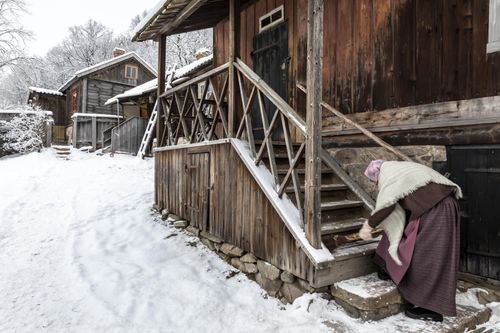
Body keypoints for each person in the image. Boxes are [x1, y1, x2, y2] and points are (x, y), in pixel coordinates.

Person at [359, 159, 462, 322]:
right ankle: (388, 267)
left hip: (438, 209)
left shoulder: (389, 175)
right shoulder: (398, 169)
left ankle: (432, 308)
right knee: (397, 233)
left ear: (377, 174)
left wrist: (368, 226)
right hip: (437, 206)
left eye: (373, 181)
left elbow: (386, 205)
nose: (375, 185)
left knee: (429, 255)